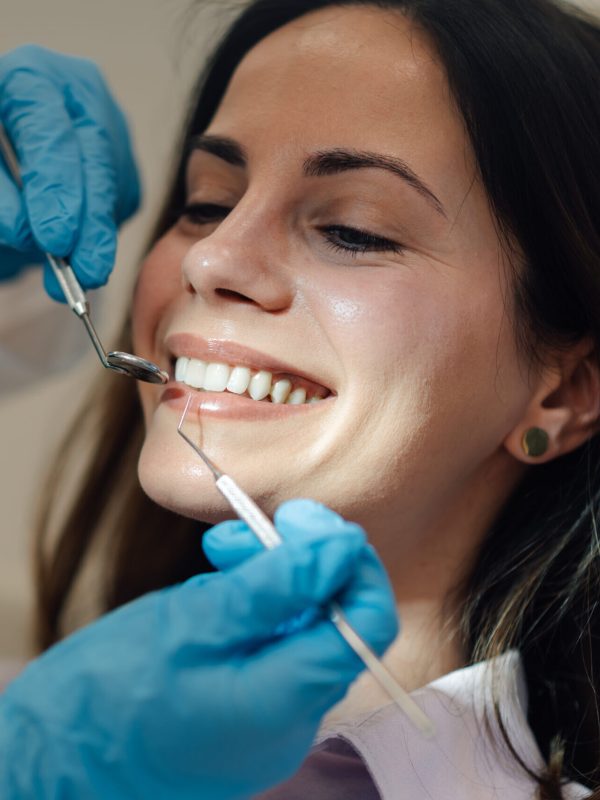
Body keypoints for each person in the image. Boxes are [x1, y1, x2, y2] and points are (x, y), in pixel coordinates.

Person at [2, 0, 600, 797]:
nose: (211, 257)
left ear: (562, 392)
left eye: (355, 230)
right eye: (206, 202)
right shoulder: (48, 725)